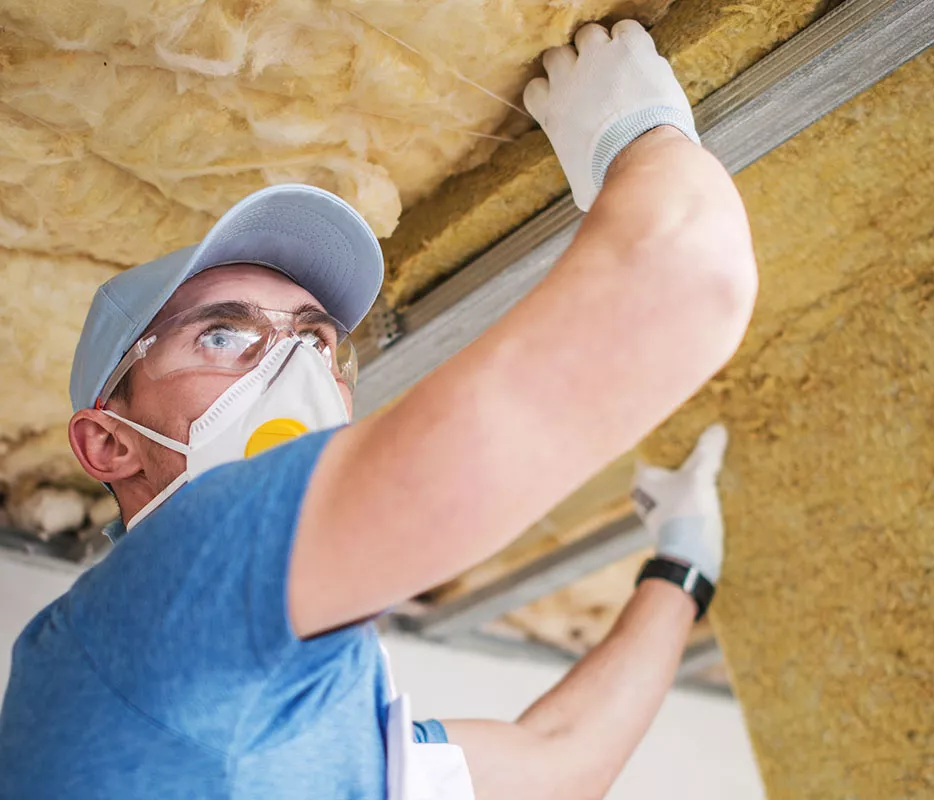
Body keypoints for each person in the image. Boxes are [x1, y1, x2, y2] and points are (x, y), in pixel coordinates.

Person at [0, 20, 757, 800]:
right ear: (108, 444)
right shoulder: (168, 599)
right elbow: (689, 277)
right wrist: (636, 142)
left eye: (321, 341)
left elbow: (558, 759)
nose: (300, 364)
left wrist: (684, 564)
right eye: (224, 333)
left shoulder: (300, 711)